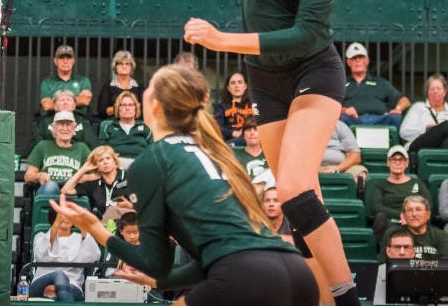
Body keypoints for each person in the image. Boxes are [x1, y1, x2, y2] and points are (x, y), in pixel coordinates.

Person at [182, 0, 396, 305]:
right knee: (302, 202)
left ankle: (347, 297)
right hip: (265, 78)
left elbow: (305, 35)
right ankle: (318, 299)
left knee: (297, 187)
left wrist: (222, 41)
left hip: (312, 70)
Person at [50, 65, 320, 306]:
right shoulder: (219, 151)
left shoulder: (152, 160)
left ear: (154, 105)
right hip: (297, 272)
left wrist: (96, 229)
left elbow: (156, 263)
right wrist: (159, 283)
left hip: (243, 274)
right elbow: (216, 259)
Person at [30, 208, 102, 301]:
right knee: (59, 274)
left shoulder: (80, 238)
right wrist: (56, 224)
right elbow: (41, 255)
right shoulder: (40, 236)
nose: (66, 218)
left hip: (72, 284)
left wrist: (82, 225)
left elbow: (93, 256)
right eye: (62, 216)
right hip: (42, 283)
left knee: (61, 285)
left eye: (70, 216)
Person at [366, 146, 431, 240]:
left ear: (407, 163)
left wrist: (409, 216)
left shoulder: (417, 182)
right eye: (393, 159)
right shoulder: (380, 184)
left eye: (401, 159)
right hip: (389, 221)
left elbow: (428, 203)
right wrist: (401, 215)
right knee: (380, 218)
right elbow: (377, 207)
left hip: (413, 218)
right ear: (388, 162)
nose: (397, 162)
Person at [25, 110, 92, 199]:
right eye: (61, 124)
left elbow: (96, 175)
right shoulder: (42, 146)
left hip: (72, 192)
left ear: (74, 129)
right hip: (48, 190)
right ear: (54, 129)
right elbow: (28, 176)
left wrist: (82, 178)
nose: (65, 128)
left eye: (68, 125)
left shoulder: (82, 148)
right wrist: (39, 175)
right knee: (51, 186)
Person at [399, 73, 448, 153]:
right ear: (427, 92)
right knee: (447, 125)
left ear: (444, 92)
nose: (435, 91)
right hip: (418, 147)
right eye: (432, 89)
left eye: (438, 88)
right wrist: (426, 130)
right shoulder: (418, 107)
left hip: (445, 147)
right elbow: (403, 132)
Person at [341, 42, 409, 127]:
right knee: (341, 119)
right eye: (354, 58)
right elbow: (331, 105)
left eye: (361, 57)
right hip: (353, 120)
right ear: (349, 62)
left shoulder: (380, 82)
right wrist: (344, 110)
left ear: (367, 60)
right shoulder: (341, 84)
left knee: (395, 117)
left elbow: (405, 100)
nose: (358, 61)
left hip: (380, 120)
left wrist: (398, 109)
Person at [61, 145, 131, 219]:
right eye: (100, 160)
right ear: (95, 165)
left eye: (108, 158)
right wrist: (83, 169)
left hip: (128, 222)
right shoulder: (94, 183)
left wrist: (131, 206)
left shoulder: (129, 177)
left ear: (114, 161)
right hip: (102, 224)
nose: (105, 162)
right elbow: (65, 190)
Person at [381, 195, 448, 261]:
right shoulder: (393, 234)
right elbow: (383, 265)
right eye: (410, 210)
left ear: (428, 214)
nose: (414, 214)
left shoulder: (441, 236)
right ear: (403, 215)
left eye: (418, 209)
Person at [98, 91, 153, 162]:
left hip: (140, 163)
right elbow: (102, 151)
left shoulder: (145, 127)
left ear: (135, 108)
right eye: (124, 105)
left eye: (130, 105)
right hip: (116, 164)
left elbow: (153, 150)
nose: (127, 108)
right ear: (118, 108)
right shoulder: (108, 127)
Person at [39, 44, 93, 113]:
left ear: (73, 61)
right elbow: (46, 105)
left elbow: (85, 100)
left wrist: (58, 101)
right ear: (55, 61)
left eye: (68, 58)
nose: (65, 61)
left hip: (78, 120)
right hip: (53, 121)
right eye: (61, 58)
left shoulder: (83, 80)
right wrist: (73, 101)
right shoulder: (47, 82)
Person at [372, 230, 416, 306]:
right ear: (388, 251)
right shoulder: (374, 274)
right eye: (397, 247)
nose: (402, 252)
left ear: (413, 252)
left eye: (406, 247)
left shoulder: (425, 274)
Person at [95, 50, 142, 121]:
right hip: (112, 124)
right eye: (120, 64)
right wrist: (126, 108)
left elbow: (143, 110)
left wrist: (118, 108)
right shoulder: (108, 87)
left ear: (131, 67)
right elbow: (102, 111)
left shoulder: (139, 87)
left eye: (127, 64)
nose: (124, 66)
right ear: (115, 66)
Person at [213, 71, 255, 145]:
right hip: (231, 142)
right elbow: (216, 127)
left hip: (253, 139)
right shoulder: (221, 107)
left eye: (240, 82)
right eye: (233, 83)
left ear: (245, 86)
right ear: (228, 88)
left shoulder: (254, 105)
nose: (236, 86)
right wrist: (233, 133)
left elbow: (262, 124)